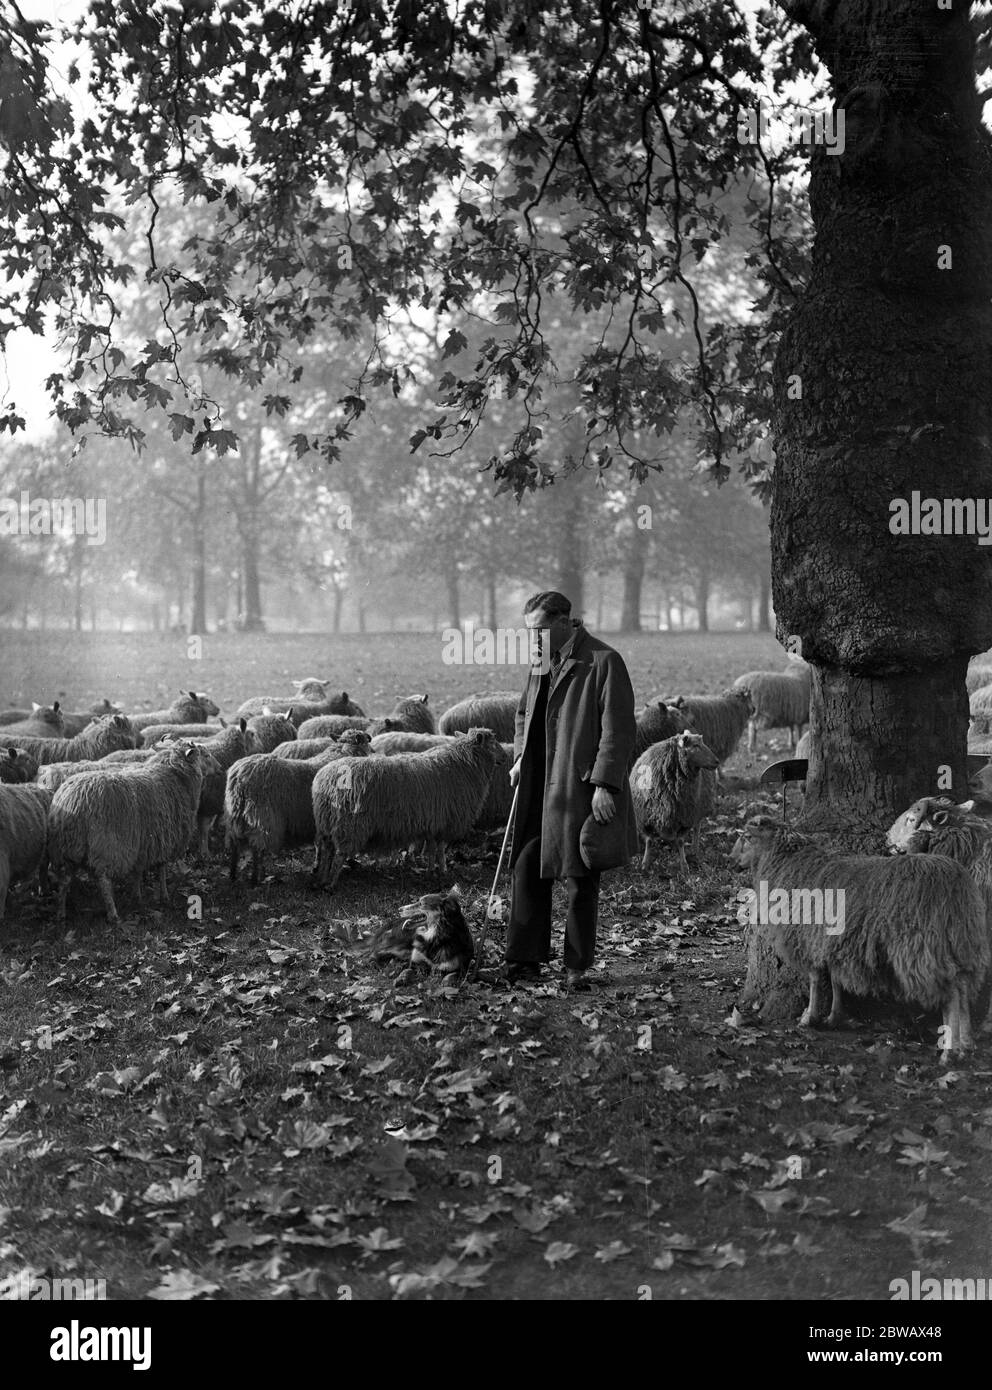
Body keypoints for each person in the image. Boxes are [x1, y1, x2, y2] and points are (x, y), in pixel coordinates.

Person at [492, 590, 639, 990]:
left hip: (579, 787)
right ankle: (524, 959)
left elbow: (619, 730)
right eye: (528, 632)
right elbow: (524, 712)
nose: (532, 639)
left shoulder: (604, 662)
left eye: (538, 629)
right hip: (539, 785)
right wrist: (521, 756)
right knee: (526, 867)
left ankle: (576, 966)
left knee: (580, 877)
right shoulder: (542, 660)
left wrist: (605, 784)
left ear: (563, 622)